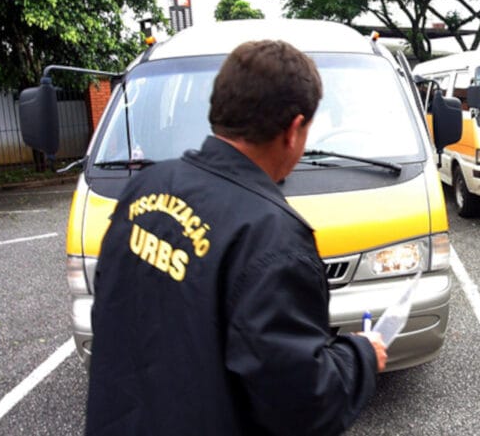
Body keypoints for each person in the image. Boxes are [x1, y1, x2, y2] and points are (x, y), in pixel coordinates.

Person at [85, 40, 387, 436]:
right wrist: (362, 354)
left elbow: (115, 307)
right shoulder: (271, 237)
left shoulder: (145, 188)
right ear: (294, 130)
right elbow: (303, 403)